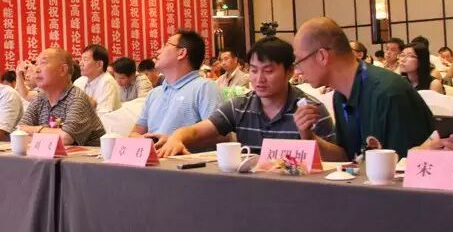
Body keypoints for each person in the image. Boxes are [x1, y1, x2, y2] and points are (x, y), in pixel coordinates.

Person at [159, 37, 339, 157]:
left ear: (289, 72)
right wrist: (178, 137)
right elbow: (198, 130)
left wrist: (309, 137)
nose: (259, 79)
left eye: (268, 71)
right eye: (254, 70)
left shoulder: (311, 109)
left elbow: (340, 159)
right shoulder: (240, 106)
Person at [293, 17, 434, 159]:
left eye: (299, 61)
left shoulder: (389, 93)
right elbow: (348, 159)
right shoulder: (340, 96)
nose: (298, 71)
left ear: (322, 56)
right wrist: (309, 136)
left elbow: (408, 164)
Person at [129, 30, 222, 148]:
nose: (158, 51)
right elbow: (134, 133)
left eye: (166, 45)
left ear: (181, 53)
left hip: (183, 158)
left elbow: (221, 135)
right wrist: (144, 141)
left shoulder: (205, 87)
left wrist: (176, 141)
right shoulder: (154, 93)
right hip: (154, 157)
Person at [18, 48, 105, 146]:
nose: (37, 70)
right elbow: (20, 131)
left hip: (92, 155)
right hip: (55, 154)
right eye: (36, 64)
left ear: (62, 70)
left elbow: (65, 138)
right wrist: (52, 134)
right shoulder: (40, 98)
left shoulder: (77, 98)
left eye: (43, 63)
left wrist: (36, 130)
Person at [74, 43, 120, 114]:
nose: (80, 63)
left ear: (99, 64)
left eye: (85, 60)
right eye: (81, 59)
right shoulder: (79, 81)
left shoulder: (107, 82)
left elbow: (103, 115)